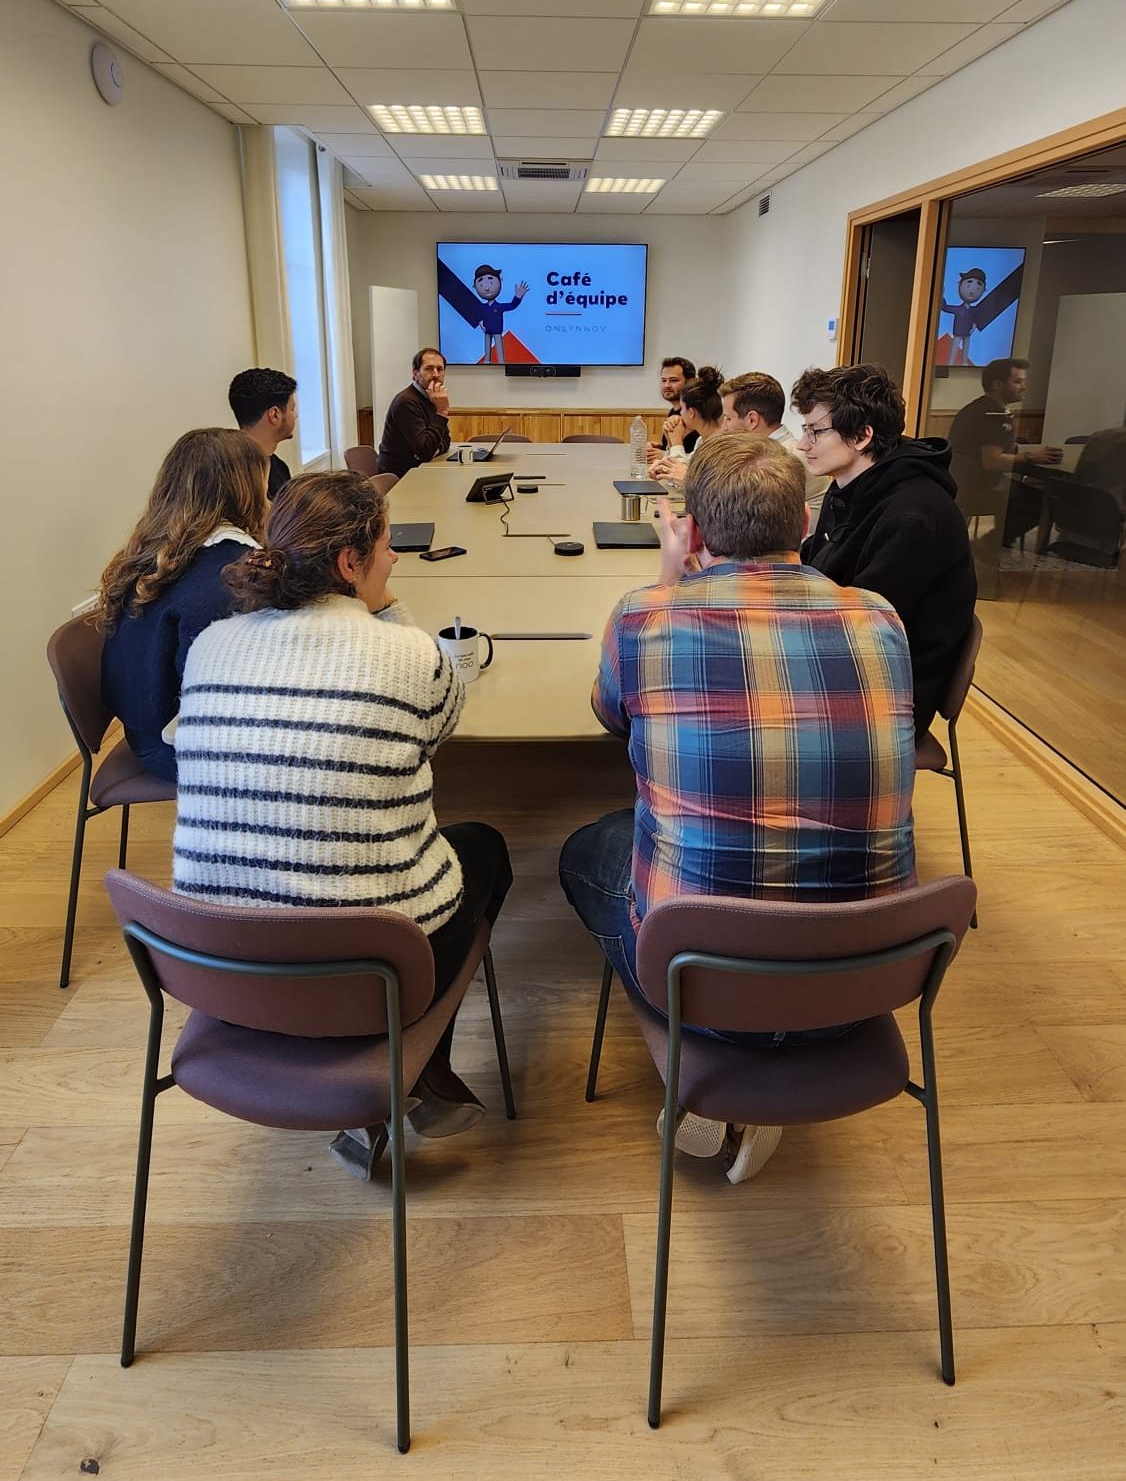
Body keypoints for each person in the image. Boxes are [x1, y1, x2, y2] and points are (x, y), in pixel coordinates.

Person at [559, 435, 916, 1181]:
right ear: (805, 524)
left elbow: (609, 715)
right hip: (864, 979)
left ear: (692, 530)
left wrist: (666, 578)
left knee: (588, 849)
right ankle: (740, 1082)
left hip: (704, 981)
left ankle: (703, 1074)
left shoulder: (642, 619)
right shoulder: (881, 618)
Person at [172, 470, 512, 1179]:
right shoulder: (413, 654)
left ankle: (406, 1083)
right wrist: (388, 613)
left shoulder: (210, 646)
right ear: (350, 562)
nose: (395, 560)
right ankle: (413, 1073)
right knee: (483, 850)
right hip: (368, 975)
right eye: (386, 548)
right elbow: (441, 722)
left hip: (221, 966)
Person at [793, 364, 977, 738]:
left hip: (887, 694)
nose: (802, 444)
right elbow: (814, 563)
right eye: (804, 430)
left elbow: (867, 630)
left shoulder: (913, 515)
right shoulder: (850, 484)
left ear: (862, 436)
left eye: (815, 431)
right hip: (846, 656)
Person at [98, 429, 268, 782]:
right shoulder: (230, 578)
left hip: (143, 726)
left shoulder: (155, 552)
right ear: (245, 489)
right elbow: (223, 701)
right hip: (177, 746)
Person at [947, 358, 1063, 550]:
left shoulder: (976, 409)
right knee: (1040, 501)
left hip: (961, 486)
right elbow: (992, 461)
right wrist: (1031, 457)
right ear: (998, 385)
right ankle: (992, 543)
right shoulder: (994, 416)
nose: (1023, 387)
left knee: (1019, 493)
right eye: (1017, 381)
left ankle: (997, 543)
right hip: (979, 488)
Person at [720, 371, 829, 525]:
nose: (724, 427)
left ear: (752, 419)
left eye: (728, 418)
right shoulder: (778, 449)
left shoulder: (782, 458)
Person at [376, 347, 452, 478]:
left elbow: (445, 440)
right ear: (415, 373)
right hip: (399, 477)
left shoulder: (433, 397)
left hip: (420, 469)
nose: (435, 374)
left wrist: (433, 448)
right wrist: (441, 412)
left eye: (440, 369)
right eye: (429, 369)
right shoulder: (406, 402)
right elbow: (425, 451)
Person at [228, 367, 297, 500]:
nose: (296, 415)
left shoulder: (278, 467)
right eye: (292, 409)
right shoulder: (236, 478)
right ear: (275, 415)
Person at [649, 366, 723, 484]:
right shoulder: (702, 439)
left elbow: (682, 481)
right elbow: (685, 469)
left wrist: (677, 441)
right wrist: (664, 460)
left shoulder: (719, 445)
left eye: (682, 409)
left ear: (691, 413)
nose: (680, 414)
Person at [472, 264, 528, 365]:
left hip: (497, 332)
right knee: (487, 348)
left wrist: (518, 297)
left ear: (500, 281)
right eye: (481, 285)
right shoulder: (482, 307)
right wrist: (480, 322)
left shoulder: (499, 306)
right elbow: (477, 315)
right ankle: (487, 361)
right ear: (475, 287)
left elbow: (512, 305)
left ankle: (501, 362)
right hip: (487, 332)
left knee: (499, 347)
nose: (487, 289)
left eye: (491, 282)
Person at [647, 355, 698, 462]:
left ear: (690, 382)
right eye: (664, 380)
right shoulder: (673, 411)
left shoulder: (696, 415)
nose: (667, 385)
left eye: (673, 380)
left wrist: (665, 455)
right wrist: (660, 448)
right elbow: (682, 446)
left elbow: (700, 456)